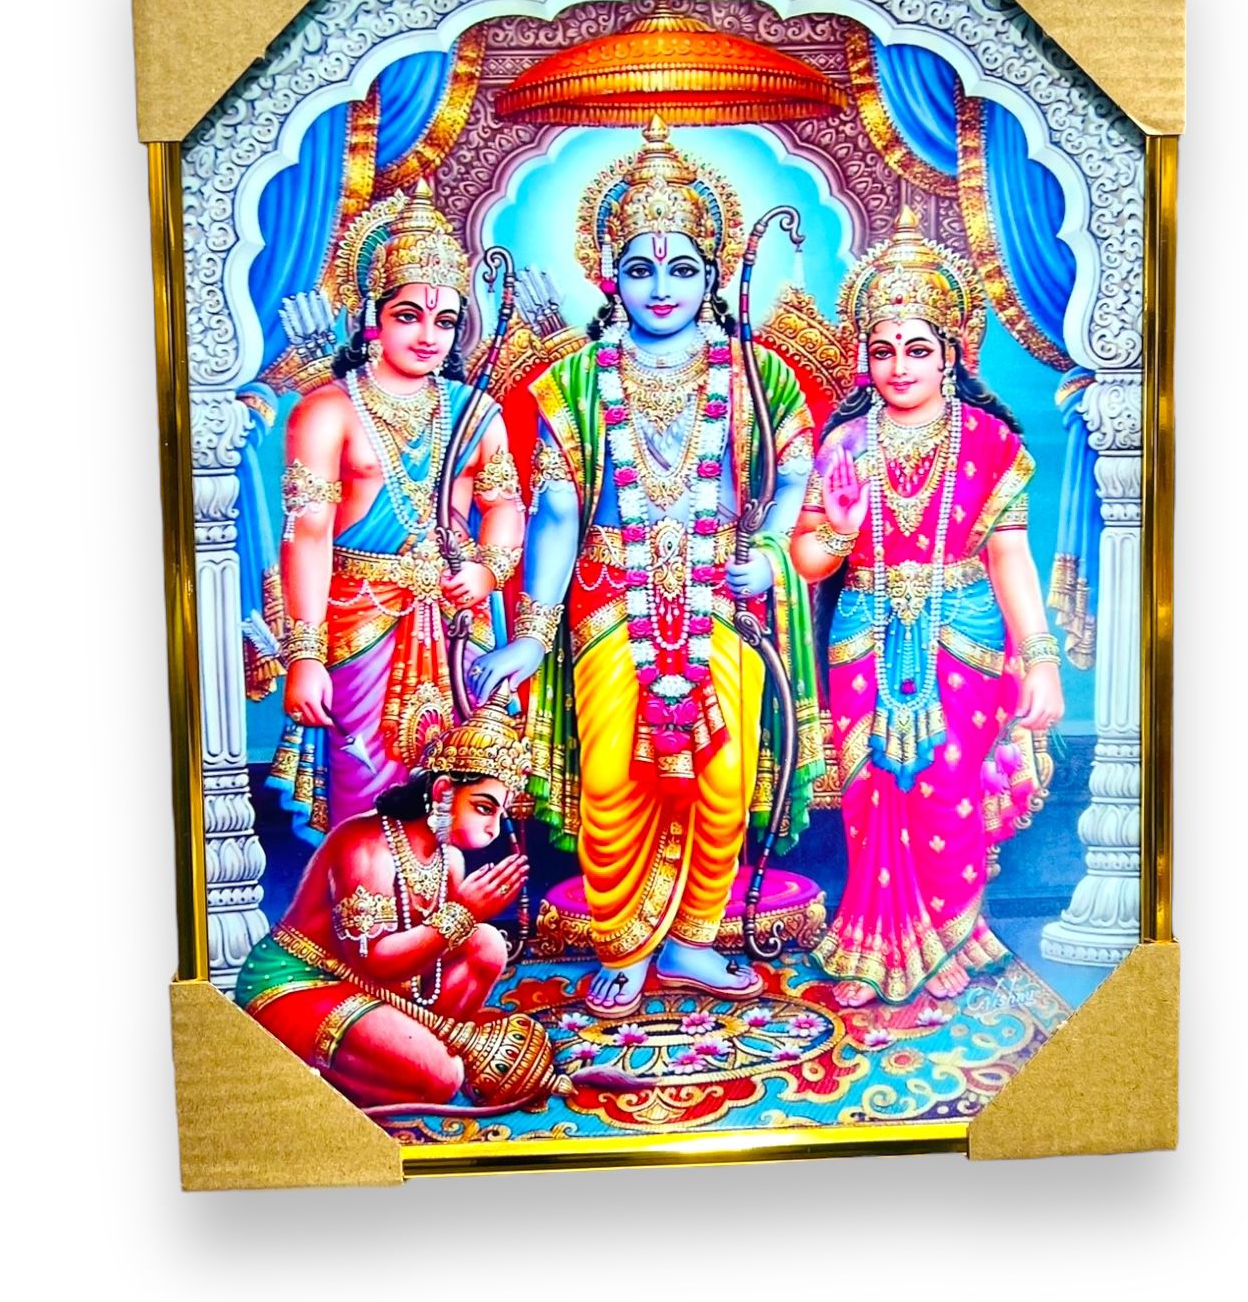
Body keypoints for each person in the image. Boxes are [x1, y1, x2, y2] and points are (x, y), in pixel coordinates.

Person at [469, 117, 825, 1018]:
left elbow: (795, 477)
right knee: (611, 779)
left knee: (724, 777)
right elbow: (556, 513)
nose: (660, 289)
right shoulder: (575, 380)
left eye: (681, 269)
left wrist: (771, 553)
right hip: (609, 599)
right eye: (639, 269)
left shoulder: (758, 374)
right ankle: (625, 946)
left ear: (712, 274)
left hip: (722, 601)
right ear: (609, 274)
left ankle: (694, 942)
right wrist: (530, 636)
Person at [790, 209, 1063, 1012]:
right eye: (883, 350)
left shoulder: (989, 441)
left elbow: (1009, 555)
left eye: (917, 348)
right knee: (872, 788)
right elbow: (807, 561)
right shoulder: (844, 444)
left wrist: (1039, 656)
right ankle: (876, 940)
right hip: (865, 633)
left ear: (951, 353)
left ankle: (949, 934)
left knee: (948, 786)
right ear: (865, 356)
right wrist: (839, 532)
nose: (899, 366)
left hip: (962, 634)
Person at [268, 181, 526, 837]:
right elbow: (308, 535)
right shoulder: (326, 411)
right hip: (361, 621)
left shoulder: (476, 411)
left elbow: (504, 506)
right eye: (409, 315)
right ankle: (370, 896)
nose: (429, 336)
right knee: (366, 787)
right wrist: (304, 655)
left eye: (445, 322)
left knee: (463, 793)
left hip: (458, 622)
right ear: (373, 318)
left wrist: (488, 570)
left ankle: (447, 899)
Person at [236, 697, 533, 1107]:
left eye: (500, 814)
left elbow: (425, 959)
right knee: (443, 1079)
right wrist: (462, 912)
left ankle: (412, 1050)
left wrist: (463, 920)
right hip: (303, 981)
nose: (493, 829)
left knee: (488, 945)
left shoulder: (450, 859)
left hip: (379, 989)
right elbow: (372, 962)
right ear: (443, 791)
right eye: (483, 808)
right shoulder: (367, 845)